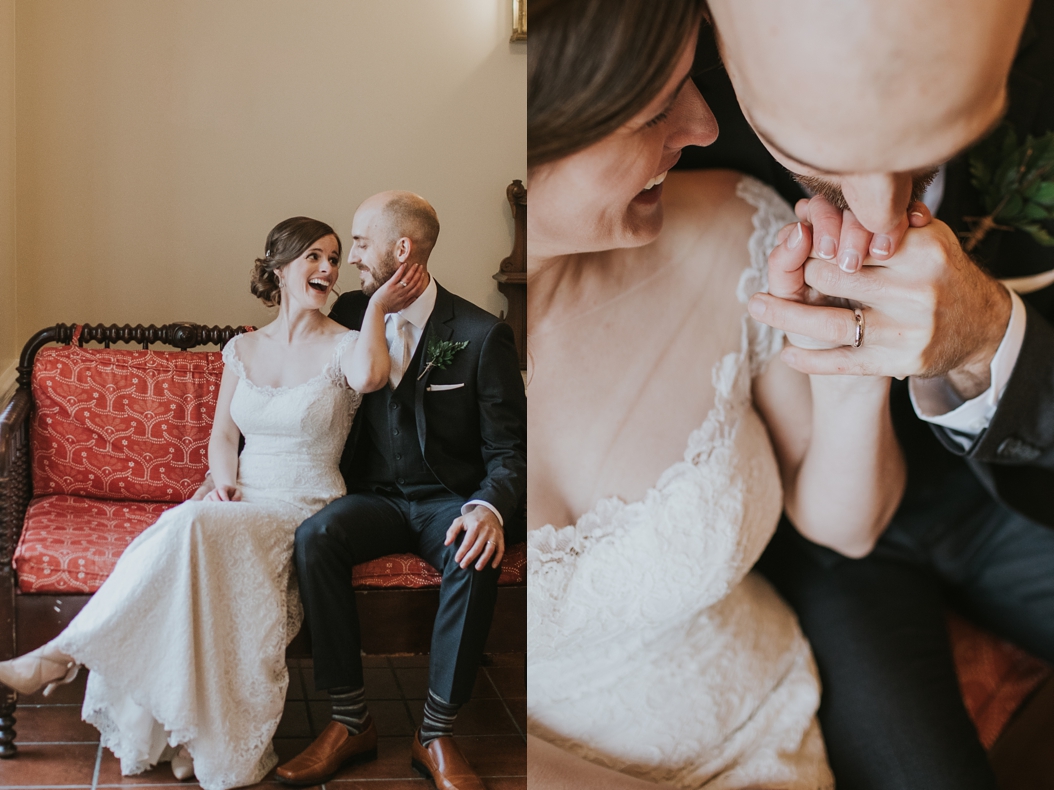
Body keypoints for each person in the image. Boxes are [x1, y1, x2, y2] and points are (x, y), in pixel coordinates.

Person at [527, 1, 907, 787]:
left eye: (691, 83)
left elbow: (849, 528)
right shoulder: (381, 370)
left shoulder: (736, 231)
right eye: (656, 108)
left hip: (770, 731)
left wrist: (854, 362)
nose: (703, 125)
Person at [677, 1, 1054, 785]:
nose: (884, 224)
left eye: (929, 150)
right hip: (819, 544)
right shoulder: (661, 105)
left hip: (1017, 489)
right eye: (816, 157)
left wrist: (990, 336)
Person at [0, 216, 425, 790]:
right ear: (279, 269)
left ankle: (60, 655)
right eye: (313, 258)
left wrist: (373, 308)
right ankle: (149, 706)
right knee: (185, 525)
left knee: (187, 523)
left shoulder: (348, 344)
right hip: (238, 498)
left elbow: (373, 378)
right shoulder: (242, 347)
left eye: (332, 258)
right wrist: (222, 481)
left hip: (303, 505)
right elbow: (224, 437)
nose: (328, 269)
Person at [271, 192, 527, 790]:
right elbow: (286, 345)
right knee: (317, 537)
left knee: (473, 549)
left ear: (401, 248)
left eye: (360, 243)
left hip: (446, 501)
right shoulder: (353, 310)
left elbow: (509, 450)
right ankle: (349, 720)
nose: (349, 258)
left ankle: (435, 732)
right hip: (376, 499)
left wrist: (488, 509)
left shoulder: (480, 334)